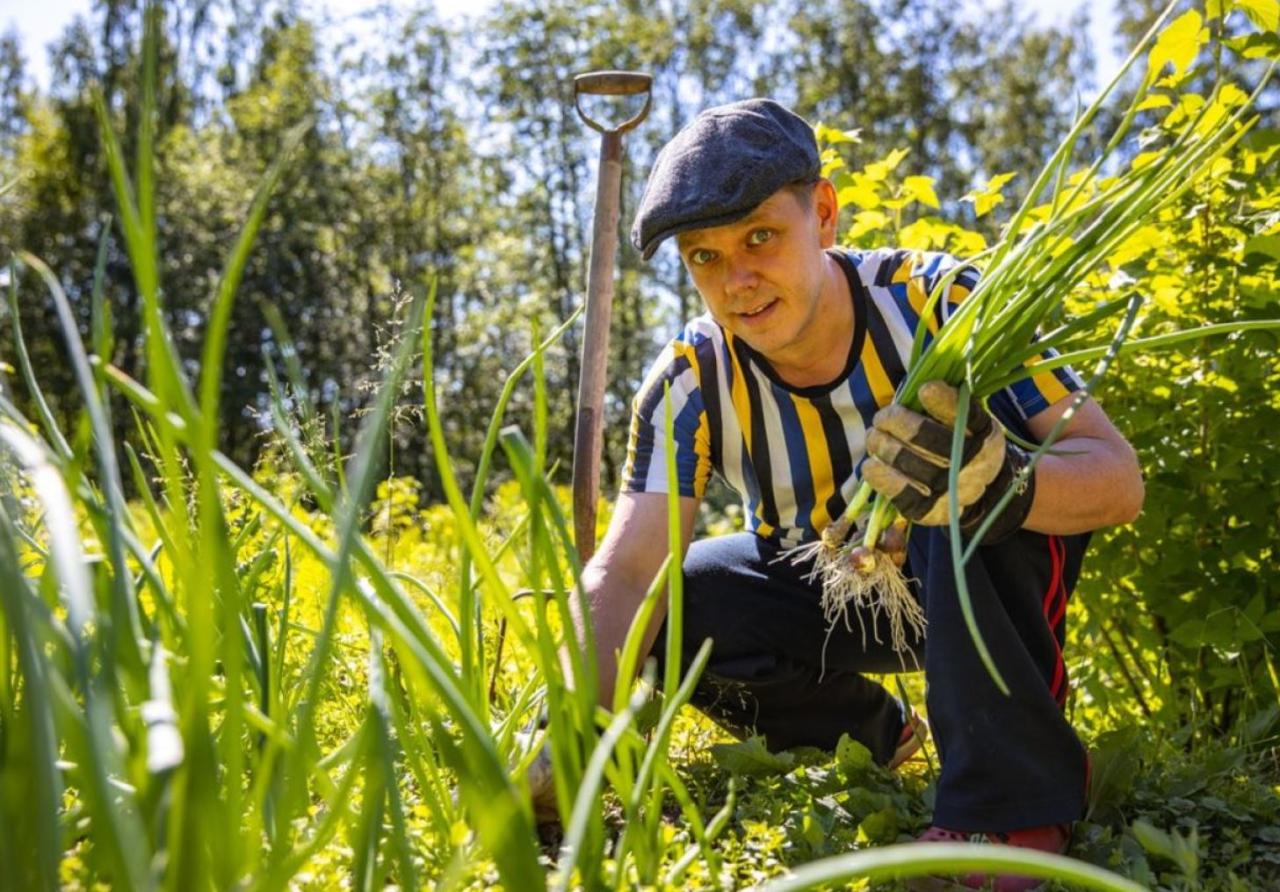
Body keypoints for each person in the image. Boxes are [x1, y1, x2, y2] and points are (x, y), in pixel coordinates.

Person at [563, 98, 1144, 892]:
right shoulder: (691, 382)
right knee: (681, 600)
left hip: (973, 568)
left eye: (760, 237)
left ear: (824, 214)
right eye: (704, 257)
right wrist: (567, 740)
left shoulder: (940, 304)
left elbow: (1115, 478)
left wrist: (1001, 483)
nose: (737, 280)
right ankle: (866, 733)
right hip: (832, 586)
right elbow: (626, 574)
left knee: (949, 492)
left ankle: (1011, 809)